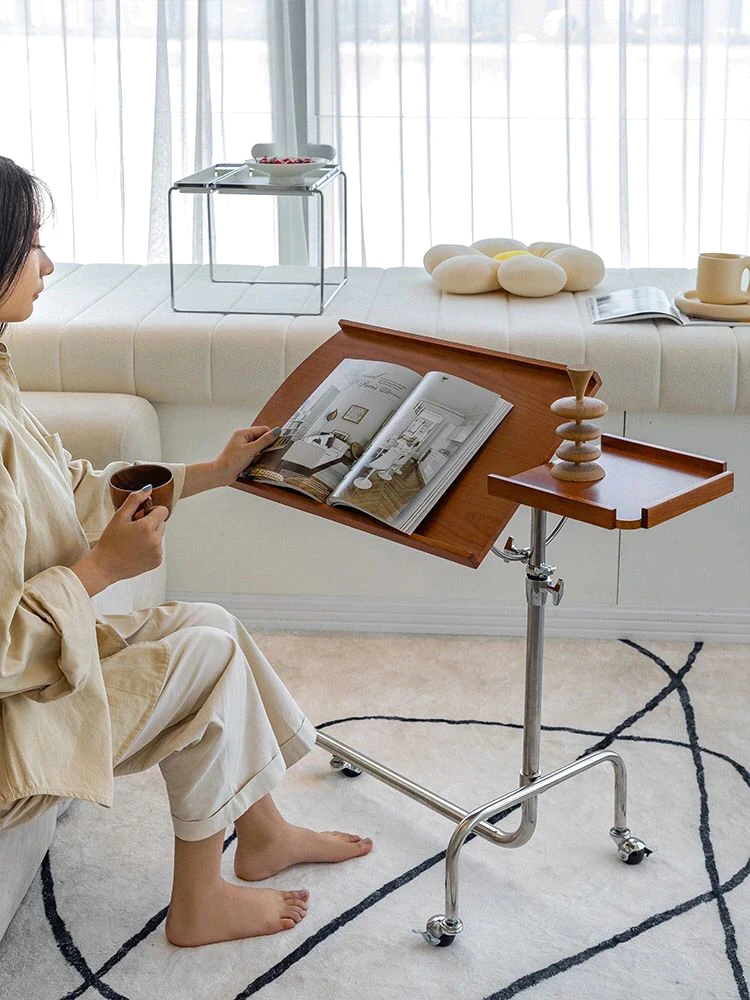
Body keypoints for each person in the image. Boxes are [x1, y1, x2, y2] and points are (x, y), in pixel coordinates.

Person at [0, 156, 372, 947]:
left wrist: (214, 472)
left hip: (25, 687)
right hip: (9, 726)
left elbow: (68, 486)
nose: (50, 262)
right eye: (32, 242)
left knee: (211, 621)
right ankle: (199, 904)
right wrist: (103, 567)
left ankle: (263, 833)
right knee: (202, 654)